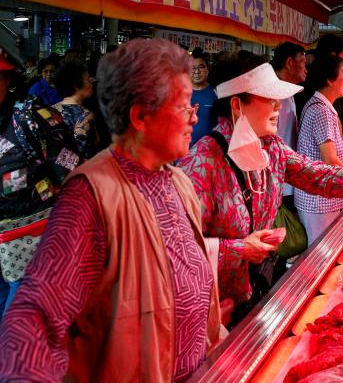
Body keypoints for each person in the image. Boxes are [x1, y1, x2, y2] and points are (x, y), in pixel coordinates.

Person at [0, 39, 224, 381]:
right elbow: (33, 323)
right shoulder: (91, 196)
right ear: (140, 116)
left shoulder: (176, 180)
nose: (195, 117)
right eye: (183, 107)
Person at [179, 55, 343, 317]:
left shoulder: (271, 147)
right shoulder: (203, 165)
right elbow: (176, 250)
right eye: (268, 98)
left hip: (254, 293)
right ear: (237, 106)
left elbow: (316, 174)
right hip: (211, 308)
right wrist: (238, 249)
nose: (278, 105)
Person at [0, 55, 79, 317]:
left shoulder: (28, 116)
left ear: (7, 80)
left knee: (21, 305)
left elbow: (69, 166)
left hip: (29, 238)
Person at [294, 55, 343, 244]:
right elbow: (331, 160)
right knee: (319, 254)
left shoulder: (322, 107)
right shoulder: (321, 111)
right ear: (329, 79)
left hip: (321, 197)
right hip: (318, 200)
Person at [271, 42, 307, 209]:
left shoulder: (289, 92)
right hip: (278, 184)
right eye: (303, 63)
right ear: (290, 63)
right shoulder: (273, 94)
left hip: (289, 178)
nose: (306, 69)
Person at [51, 60, 98, 159]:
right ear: (76, 86)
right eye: (88, 80)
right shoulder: (85, 116)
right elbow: (85, 152)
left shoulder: (51, 109)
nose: (91, 84)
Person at [190, 52, 218, 146]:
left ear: (207, 69)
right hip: (182, 154)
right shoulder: (180, 93)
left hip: (208, 153)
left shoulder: (216, 93)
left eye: (201, 67)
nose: (197, 71)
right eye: (193, 68)